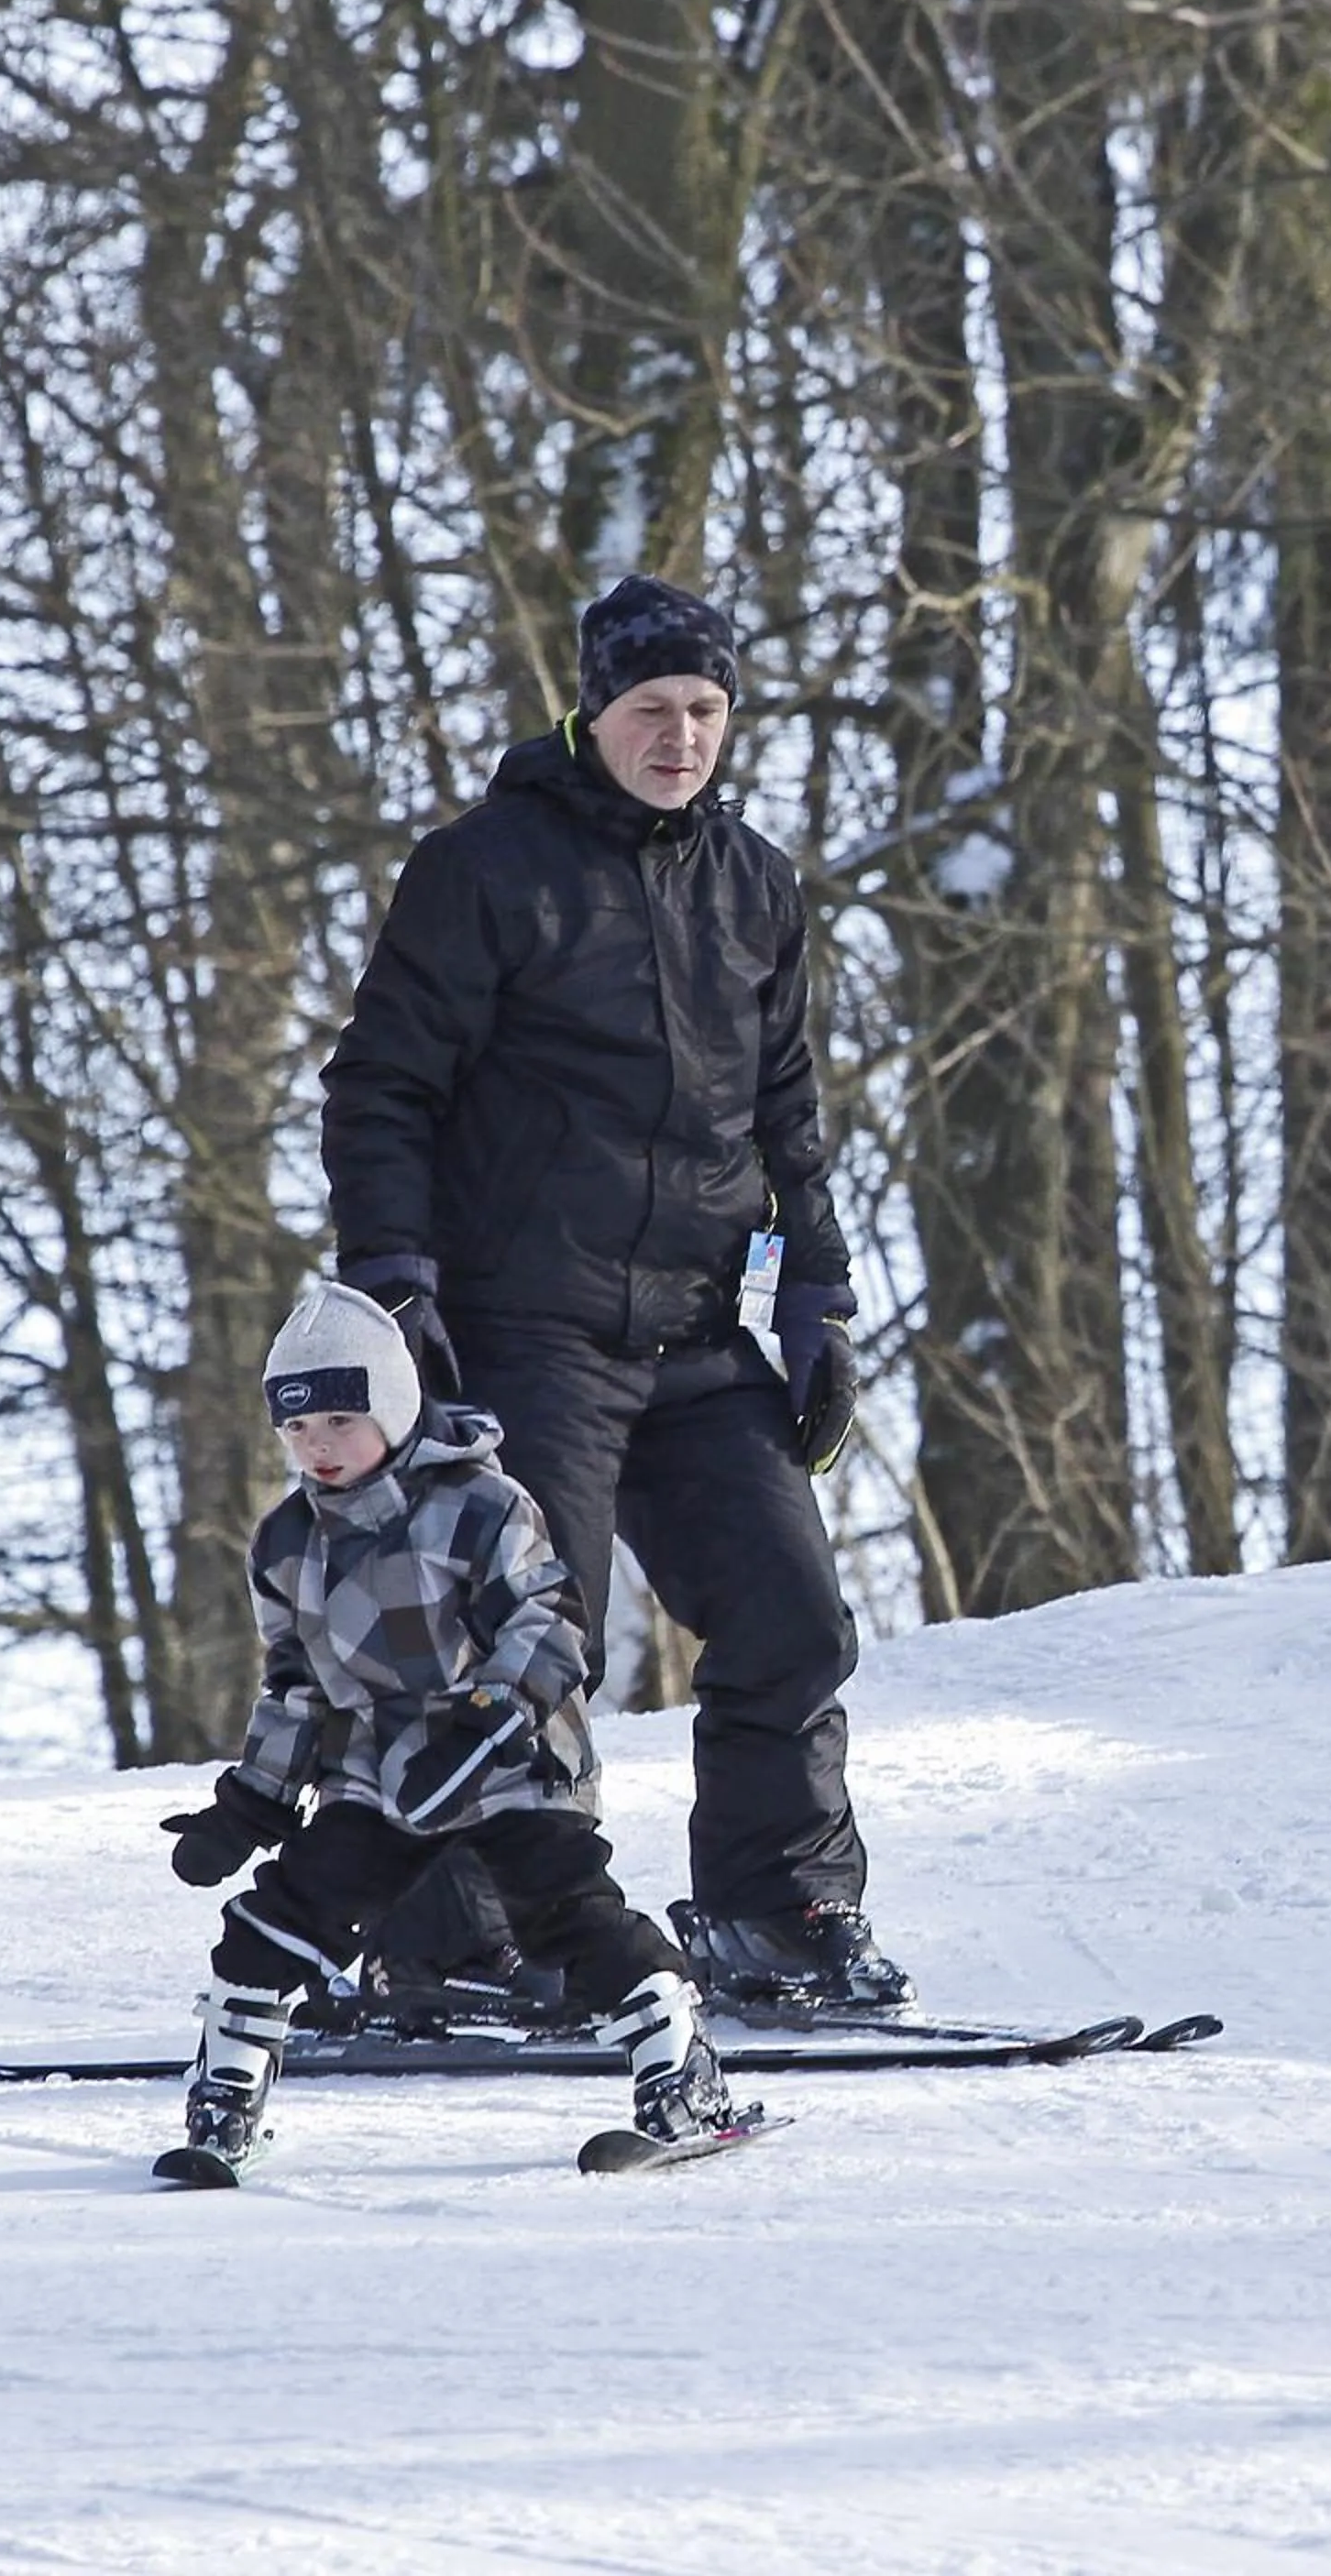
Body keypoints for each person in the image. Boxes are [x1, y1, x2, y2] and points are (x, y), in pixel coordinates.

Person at [319, 573, 911, 2011]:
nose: (684, 738)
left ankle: (779, 1916)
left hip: (700, 1331)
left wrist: (816, 1297)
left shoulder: (757, 887)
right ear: (592, 714)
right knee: (529, 1634)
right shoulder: (486, 872)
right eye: (655, 711)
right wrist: (394, 1282)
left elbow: (788, 1114)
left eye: (709, 712)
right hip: (527, 1328)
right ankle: (463, 1941)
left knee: (790, 1616)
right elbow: (379, 1089)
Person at [158, 1279, 736, 2171]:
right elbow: (297, 1685)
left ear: (392, 1408)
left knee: (562, 1919)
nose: (319, 1448)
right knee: (279, 1921)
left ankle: (680, 2071)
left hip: (510, 1764)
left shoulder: (480, 1505)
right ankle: (225, 2104)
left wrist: (486, 1721)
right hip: (378, 1781)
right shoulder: (285, 1545)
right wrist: (251, 1805)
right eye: (298, 1430)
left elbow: (549, 1626)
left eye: (341, 1423)